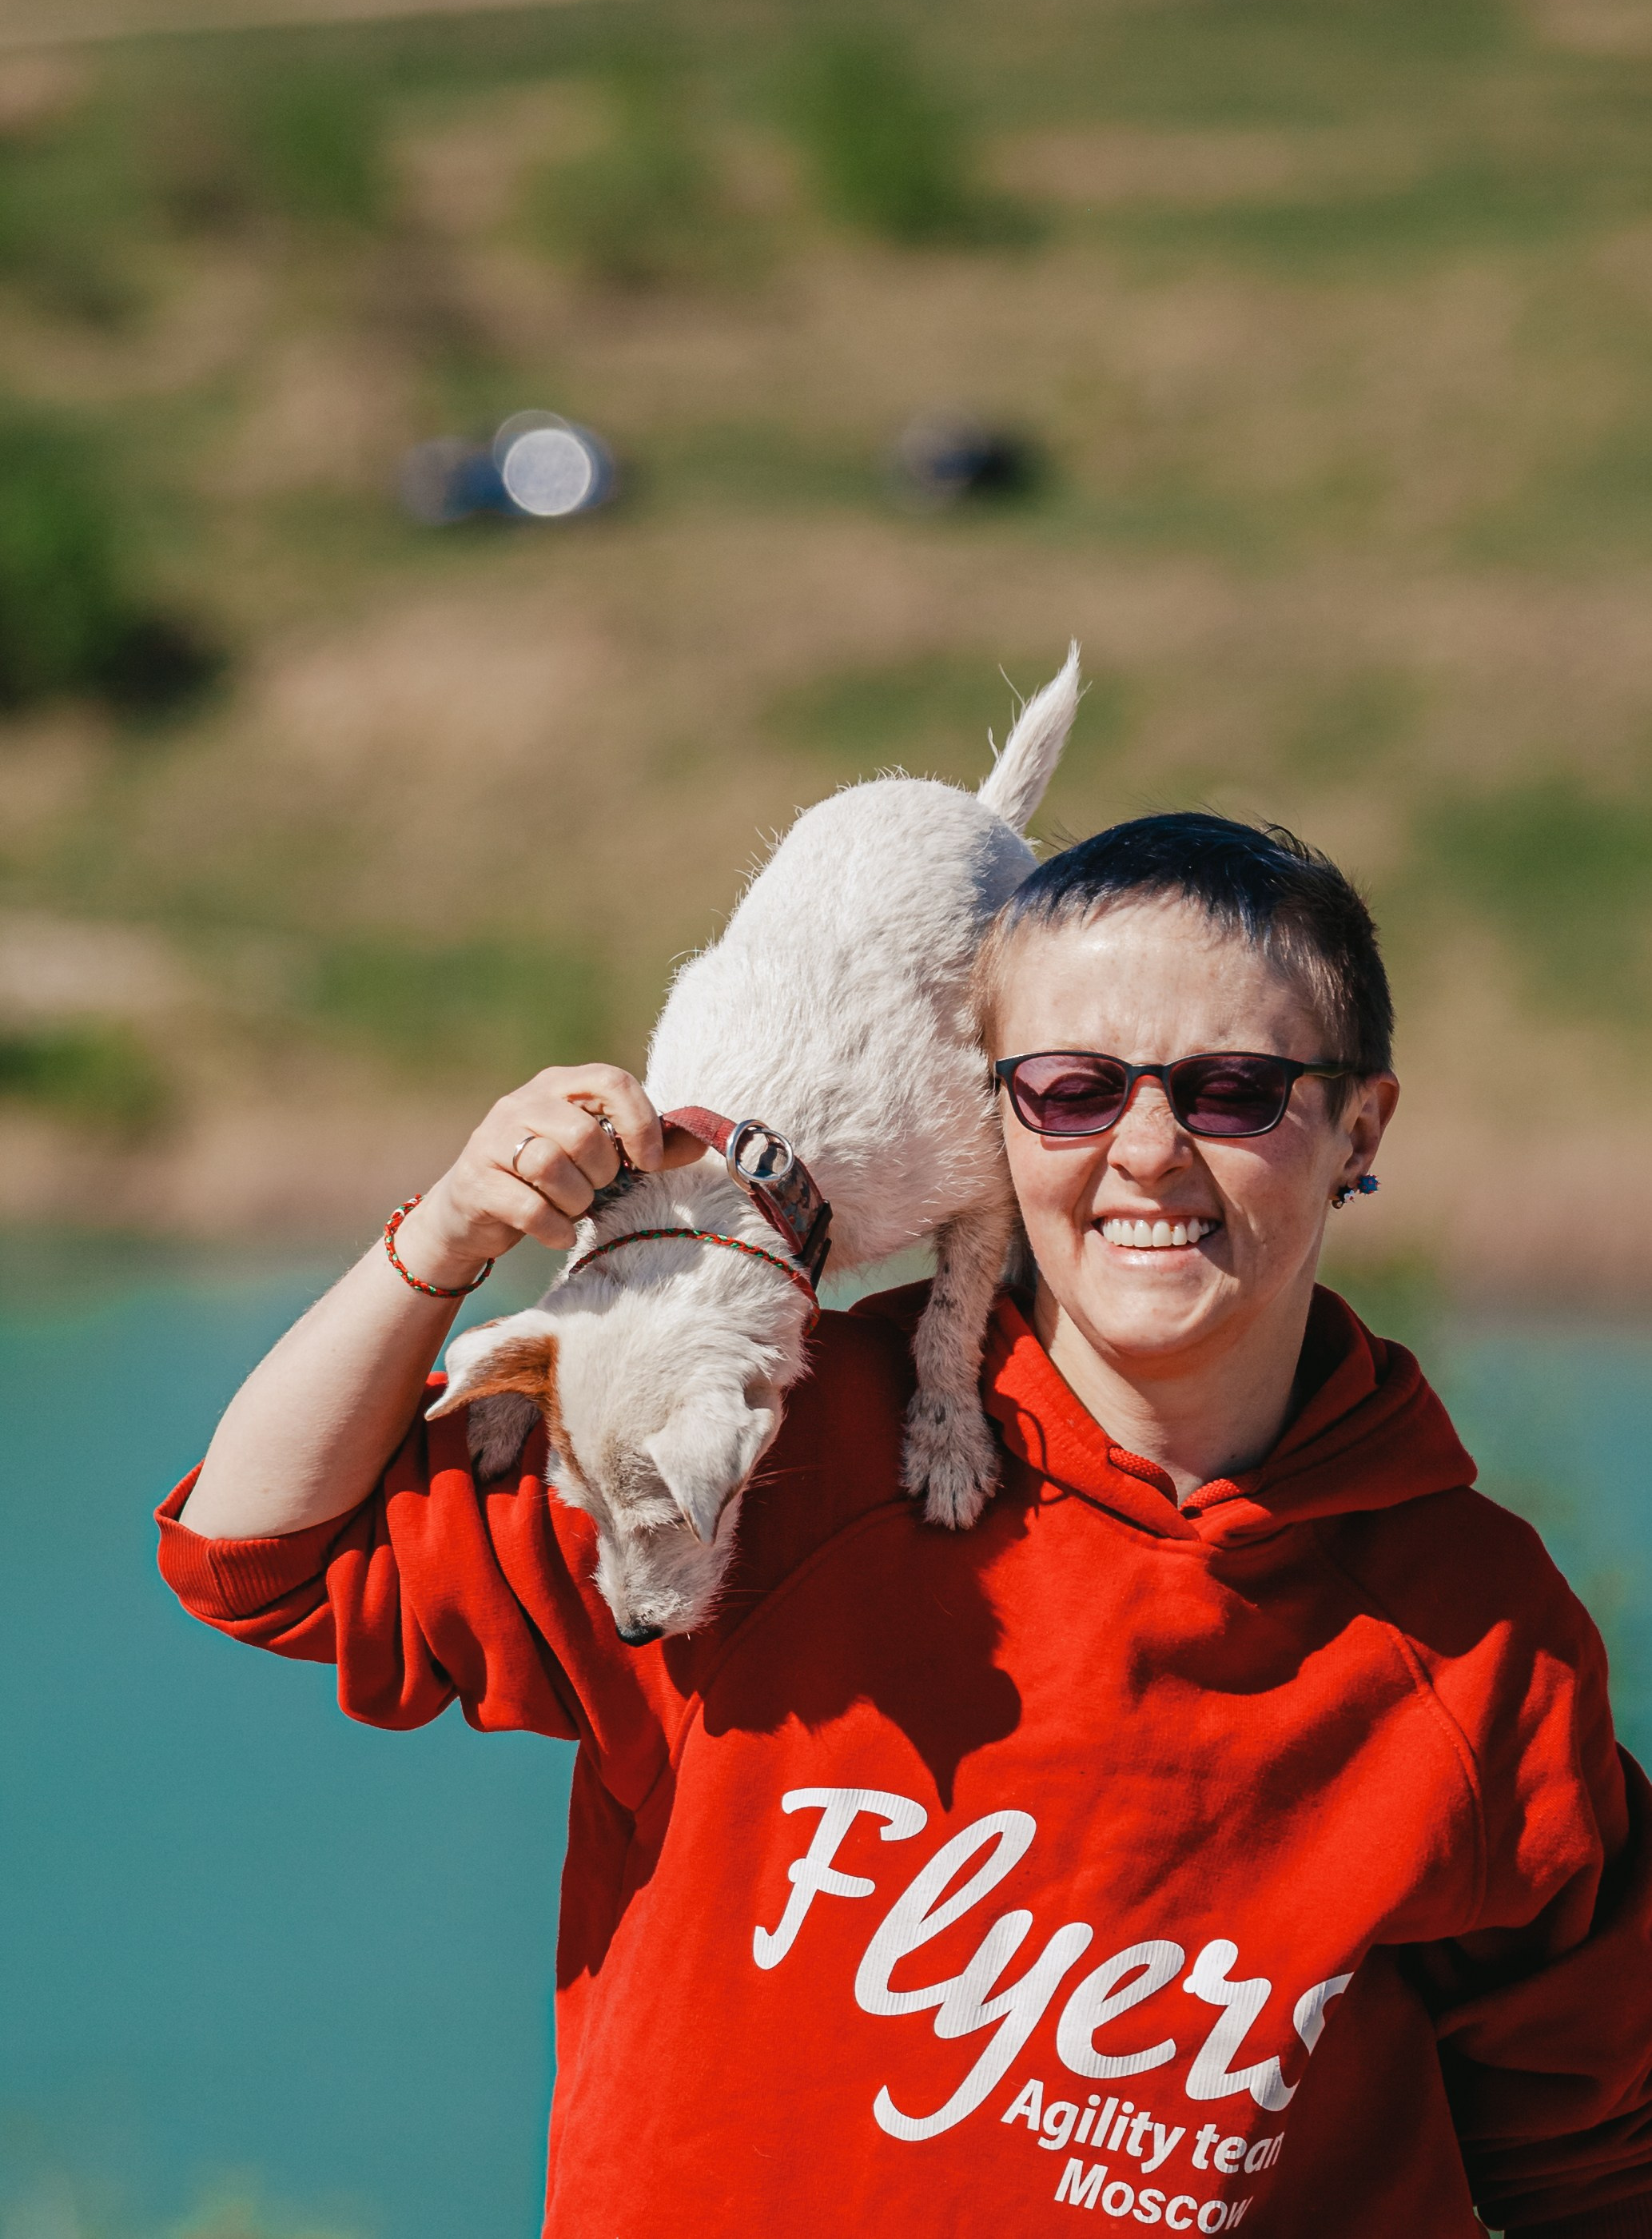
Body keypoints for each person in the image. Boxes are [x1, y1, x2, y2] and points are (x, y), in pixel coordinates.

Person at [158, 814, 1652, 2237]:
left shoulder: (1478, 1644)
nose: (1145, 1151)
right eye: (1071, 1089)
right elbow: (262, 1561)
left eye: (1232, 1091)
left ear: (1359, 1123)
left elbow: (1602, 2166)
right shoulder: (766, 1459)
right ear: (990, 1111)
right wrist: (449, 1237)